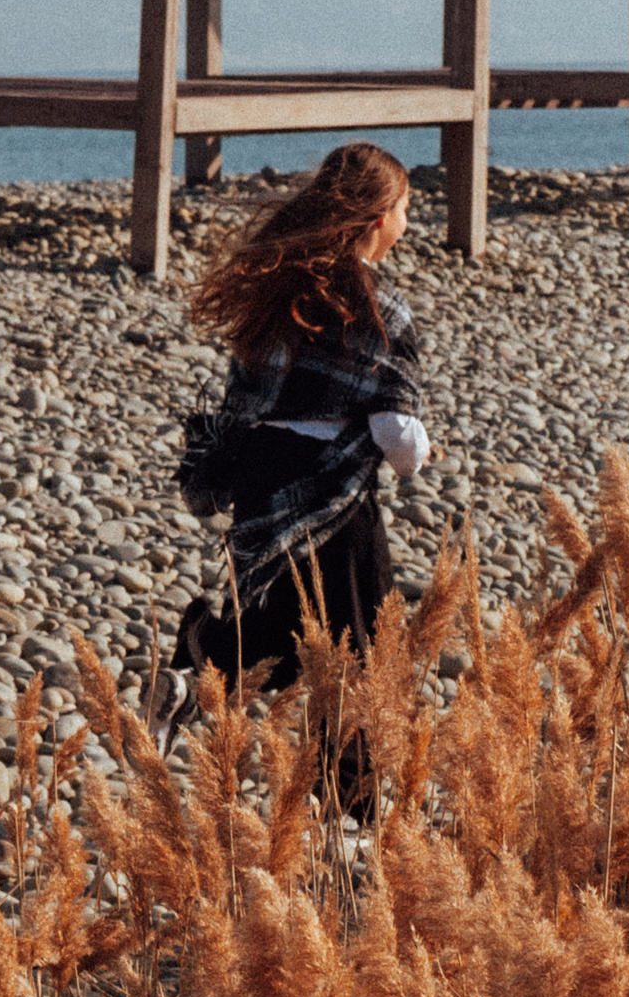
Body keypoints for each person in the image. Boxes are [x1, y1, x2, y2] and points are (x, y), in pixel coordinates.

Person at [164, 140, 430, 789]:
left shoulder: (282, 288)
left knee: (283, 629)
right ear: (376, 220)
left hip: (264, 474)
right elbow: (395, 432)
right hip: (332, 489)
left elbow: (250, 393)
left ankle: (198, 660)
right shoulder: (379, 309)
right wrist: (419, 454)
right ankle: (353, 797)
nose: (407, 224)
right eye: (404, 210)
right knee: (364, 645)